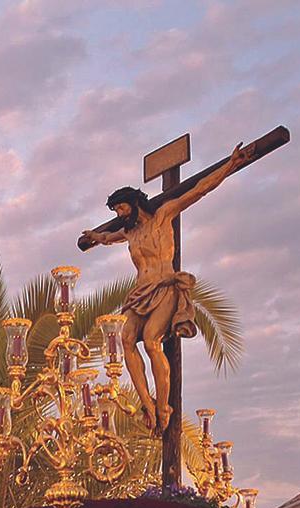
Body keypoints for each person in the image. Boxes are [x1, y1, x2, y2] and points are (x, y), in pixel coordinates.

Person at [80, 140, 252, 434]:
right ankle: (147, 401)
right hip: (139, 293)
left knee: (150, 341)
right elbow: (106, 238)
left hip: (164, 287)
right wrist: (94, 236)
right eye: (117, 211)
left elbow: (199, 190)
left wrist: (230, 165)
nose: (120, 214)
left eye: (122, 208)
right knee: (125, 339)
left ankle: (164, 406)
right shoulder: (128, 232)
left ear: (134, 204)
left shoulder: (163, 216)